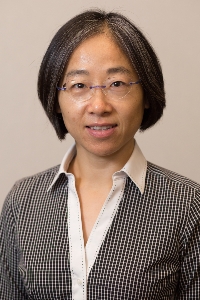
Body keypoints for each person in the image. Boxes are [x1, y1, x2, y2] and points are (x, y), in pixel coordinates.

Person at [1, 9, 200, 300]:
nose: (98, 105)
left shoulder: (188, 206)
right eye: (79, 86)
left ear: (146, 95)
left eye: (117, 84)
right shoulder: (23, 202)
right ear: (56, 99)